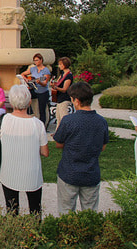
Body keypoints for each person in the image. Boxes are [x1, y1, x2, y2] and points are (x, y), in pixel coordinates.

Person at [53, 82, 109, 214]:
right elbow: (103, 146)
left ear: (76, 101)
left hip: (69, 172)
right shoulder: (101, 121)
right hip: (91, 173)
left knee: (66, 211)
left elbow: (58, 143)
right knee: (90, 213)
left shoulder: (69, 120)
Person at [0, 85, 49, 216]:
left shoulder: (3, 120)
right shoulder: (38, 124)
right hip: (31, 173)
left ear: (11, 102)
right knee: (35, 209)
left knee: (11, 209)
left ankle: (14, 233)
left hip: (9, 172)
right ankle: (35, 233)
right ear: (29, 102)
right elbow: (45, 152)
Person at [21, 53, 51, 125]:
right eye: (34, 60)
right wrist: (26, 79)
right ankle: (29, 111)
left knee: (41, 109)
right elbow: (22, 74)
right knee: (26, 95)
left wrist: (39, 82)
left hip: (42, 91)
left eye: (37, 60)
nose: (35, 62)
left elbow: (45, 83)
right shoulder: (33, 69)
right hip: (34, 89)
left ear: (41, 60)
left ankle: (42, 125)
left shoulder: (45, 70)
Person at [51, 57, 73, 128]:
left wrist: (55, 87)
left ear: (64, 65)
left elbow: (64, 89)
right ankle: (58, 132)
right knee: (58, 117)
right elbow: (58, 83)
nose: (59, 66)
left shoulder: (68, 75)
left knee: (64, 116)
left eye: (60, 64)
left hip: (65, 98)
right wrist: (53, 84)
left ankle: (66, 132)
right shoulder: (62, 74)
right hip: (59, 98)